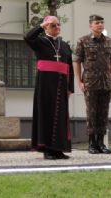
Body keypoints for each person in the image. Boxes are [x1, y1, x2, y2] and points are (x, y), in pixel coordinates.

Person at [24, 16, 74, 160]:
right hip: (46, 85)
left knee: (61, 118)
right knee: (47, 115)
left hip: (61, 84)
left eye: (58, 25)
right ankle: (47, 149)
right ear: (46, 27)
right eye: (53, 25)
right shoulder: (39, 42)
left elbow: (69, 67)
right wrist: (41, 25)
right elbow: (27, 37)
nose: (57, 27)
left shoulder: (64, 45)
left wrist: (70, 87)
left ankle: (58, 149)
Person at [73, 14, 111, 154]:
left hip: (105, 83)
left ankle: (101, 143)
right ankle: (91, 144)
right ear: (91, 25)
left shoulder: (109, 41)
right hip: (90, 82)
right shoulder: (83, 41)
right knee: (91, 113)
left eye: (102, 22)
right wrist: (79, 81)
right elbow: (77, 61)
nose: (100, 25)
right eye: (97, 23)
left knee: (103, 113)